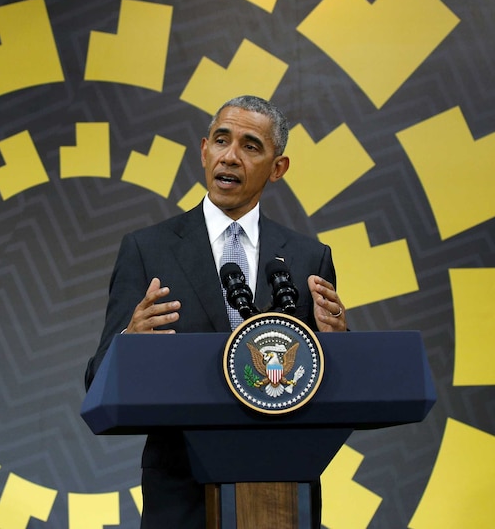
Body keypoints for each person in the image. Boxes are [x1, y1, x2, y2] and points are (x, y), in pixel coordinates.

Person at [84, 95, 347, 528]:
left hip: (283, 491)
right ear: (203, 149)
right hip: (182, 493)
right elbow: (97, 383)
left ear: (278, 168)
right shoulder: (147, 250)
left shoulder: (307, 258)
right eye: (222, 140)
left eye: (250, 146)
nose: (230, 156)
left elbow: (325, 383)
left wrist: (339, 345)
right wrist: (129, 342)